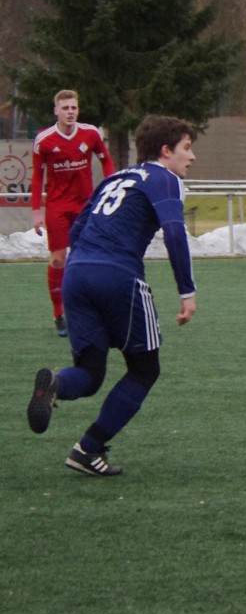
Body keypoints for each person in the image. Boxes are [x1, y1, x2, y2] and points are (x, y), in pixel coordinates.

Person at [25, 115, 198, 476]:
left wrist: (87, 266)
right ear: (166, 151)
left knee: (89, 372)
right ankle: (89, 449)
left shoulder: (115, 178)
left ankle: (56, 384)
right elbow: (174, 233)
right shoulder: (165, 179)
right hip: (118, 275)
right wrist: (187, 291)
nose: (192, 156)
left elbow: (78, 230)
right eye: (186, 148)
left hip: (76, 273)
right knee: (145, 369)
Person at [30, 89, 116, 336]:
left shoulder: (91, 133)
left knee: (84, 259)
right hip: (57, 207)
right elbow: (37, 177)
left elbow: (106, 161)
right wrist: (36, 211)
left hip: (84, 206)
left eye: (73, 108)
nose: (70, 112)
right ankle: (59, 314)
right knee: (58, 260)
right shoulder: (44, 140)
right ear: (56, 111)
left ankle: (84, 311)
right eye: (65, 108)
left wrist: (110, 189)